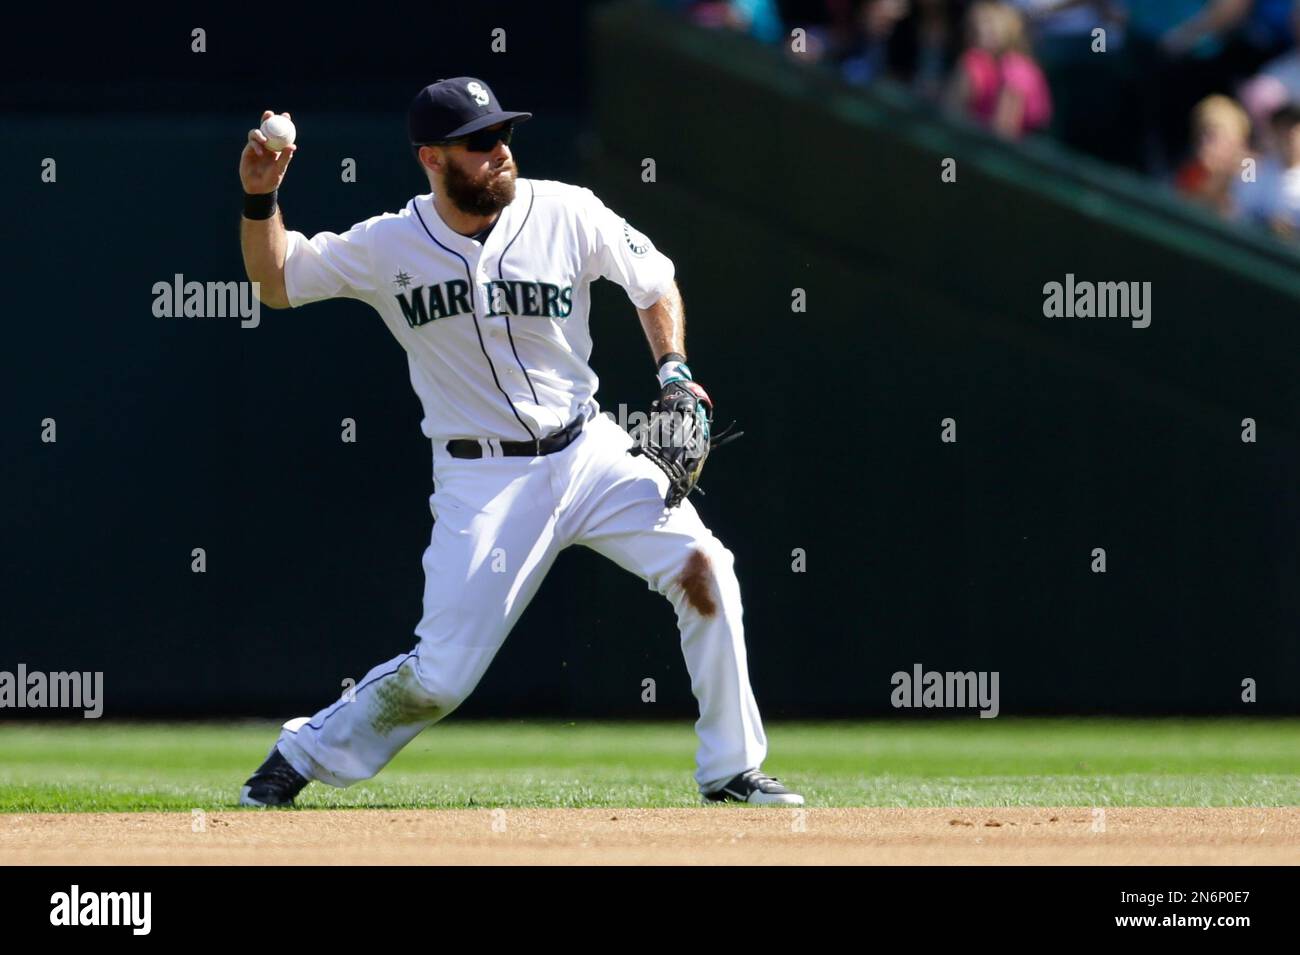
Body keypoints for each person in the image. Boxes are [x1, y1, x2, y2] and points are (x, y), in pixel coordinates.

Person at [234, 77, 803, 808]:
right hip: (483, 477)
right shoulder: (388, 243)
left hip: (589, 451)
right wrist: (261, 199)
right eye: (479, 142)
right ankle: (300, 752)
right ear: (431, 158)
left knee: (706, 568)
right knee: (439, 678)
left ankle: (731, 769)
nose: (500, 151)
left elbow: (654, 280)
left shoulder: (566, 210)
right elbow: (277, 281)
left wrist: (674, 371)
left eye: (503, 134)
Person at [946, 1, 1054, 139]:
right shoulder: (977, 62)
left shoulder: (1016, 68)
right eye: (973, 24)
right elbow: (951, 111)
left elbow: (1003, 133)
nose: (980, 30)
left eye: (988, 23)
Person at [1175, 94, 1252, 217]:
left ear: (1237, 140)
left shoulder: (1249, 166)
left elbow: (1245, 207)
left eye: (1212, 135)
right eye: (1200, 133)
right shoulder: (1192, 172)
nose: (1203, 142)